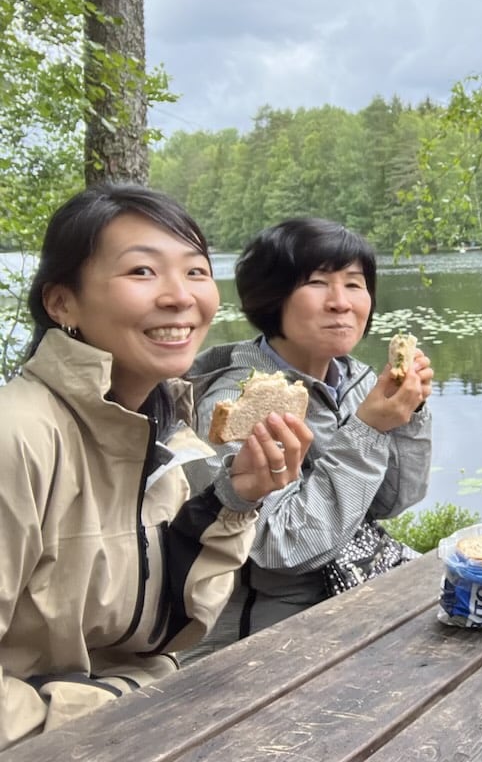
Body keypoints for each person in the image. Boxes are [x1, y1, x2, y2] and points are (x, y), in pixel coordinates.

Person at [0, 184, 309, 749]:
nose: (180, 297)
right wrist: (97, 709)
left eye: (196, 272)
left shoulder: (156, 424)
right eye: (142, 272)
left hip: (138, 718)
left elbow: (164, 629)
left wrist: (233, 499)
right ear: (61, 302)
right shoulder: (17, 436)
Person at [184, 217, 433, 654]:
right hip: (266, 643)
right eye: (318, 283)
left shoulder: (353, 377)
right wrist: (368, 429)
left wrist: (407, 416)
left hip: (347, 608)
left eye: (354, 284)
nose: (341, 303)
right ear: (272, 296)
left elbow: (389, 502)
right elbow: (282, 546)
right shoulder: (240, 403)